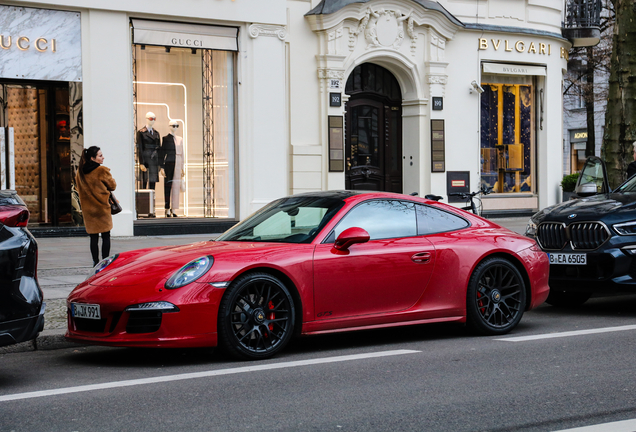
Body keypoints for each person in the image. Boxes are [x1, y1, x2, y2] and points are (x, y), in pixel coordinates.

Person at [75, 146, 117, 266]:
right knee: (105, 235)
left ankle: (95, 261)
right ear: (93, 158)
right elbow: (112, 186)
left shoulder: (80, 172)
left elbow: (79, 188)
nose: (103, 157)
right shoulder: (101, 170)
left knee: (93, 237)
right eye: (100, 155)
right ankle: (105, 261)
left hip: (88, 210)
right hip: (102, 208)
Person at [160, 120, 185, 217]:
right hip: (169, 163)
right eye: (173, 125)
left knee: (176, 186)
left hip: (178, 162)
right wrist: (162, 166)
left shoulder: (180, 139)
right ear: (169, 126)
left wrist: (182, 167)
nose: (175, 127)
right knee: (168, 186)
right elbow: (162, 153)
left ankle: (174, 208)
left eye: (176, 126)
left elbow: (182, 154)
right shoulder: (165, 138)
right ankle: (167, 208)